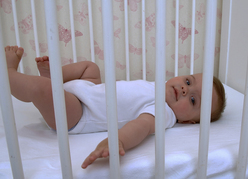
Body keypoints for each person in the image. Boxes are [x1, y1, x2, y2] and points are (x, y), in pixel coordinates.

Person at [5, 45, 226, 169]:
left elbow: (141, 126)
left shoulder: (164, 112)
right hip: (89, 91)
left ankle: (9, 74)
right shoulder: (160, 85)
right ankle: (55, 76)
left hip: (78, 113)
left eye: (194, 101)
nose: (185, 90)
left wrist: (117, 140)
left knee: (43, 89)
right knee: (90, 67)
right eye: (188, 81)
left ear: (189, 121)